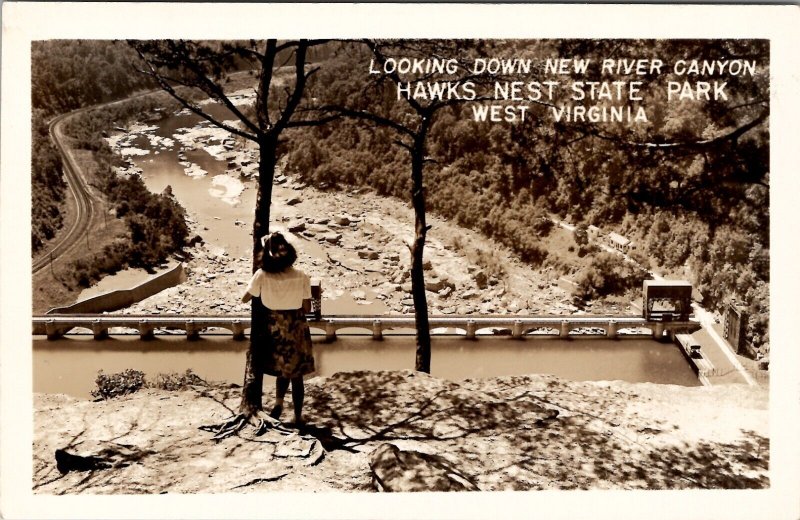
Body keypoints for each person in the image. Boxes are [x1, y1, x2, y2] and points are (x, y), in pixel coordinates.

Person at [242, 231, 315, 427]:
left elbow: (245, 297)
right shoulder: (301, 276)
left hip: (274, 326)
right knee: (296, 374)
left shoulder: (262, 275)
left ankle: (278, 404)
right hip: (296, 325)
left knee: (282, 369)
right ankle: (298, 416)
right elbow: (307, 308)